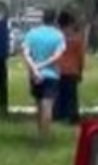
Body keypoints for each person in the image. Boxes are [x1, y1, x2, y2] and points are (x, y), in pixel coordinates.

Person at [22, 9, 67, 139]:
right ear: (54, 20)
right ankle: (45, 135)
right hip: (51, 74)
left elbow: (26, 53)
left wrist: (35, 68)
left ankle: (39, 131)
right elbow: (57, 56)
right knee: (47, 106)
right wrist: (43, 65)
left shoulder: (32, 33)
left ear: (42, 18)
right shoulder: (58, 35)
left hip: (35, 75)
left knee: (38, 104)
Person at [54, 11, 86, 125]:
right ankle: (72, 116)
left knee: (58, 95)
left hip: (58, 70)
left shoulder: (56, 37)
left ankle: (57, 115)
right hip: (72, 71)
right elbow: (80, 57)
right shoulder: (76, 38)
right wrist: (81, 70)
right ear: (70, 23)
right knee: (72, 96)